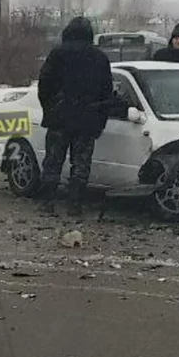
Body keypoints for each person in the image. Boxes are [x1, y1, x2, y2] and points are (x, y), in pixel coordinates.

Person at [37, 16, 114, 217]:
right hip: (87, 119)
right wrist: (100, 120)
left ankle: (47, 202)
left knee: (53, 160)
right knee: (80, 164)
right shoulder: (99, 58)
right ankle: (75, 204)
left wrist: (50, 108)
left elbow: (44, 84)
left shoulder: (57, 54)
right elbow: (107, 92)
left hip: (59, 117)